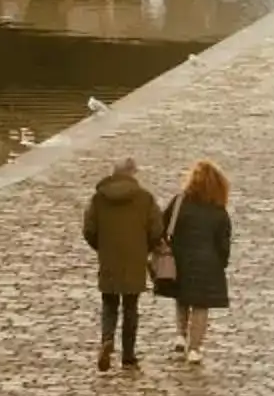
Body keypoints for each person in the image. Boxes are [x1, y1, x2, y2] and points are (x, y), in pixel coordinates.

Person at [82, 155, 162, 375]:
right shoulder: (145, 199)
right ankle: (128, 356)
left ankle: (107, 339)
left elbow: (89, 229)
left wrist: (102, 247)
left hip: (109, 257)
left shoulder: (99, 198)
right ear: (132, 174)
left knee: (109, 304)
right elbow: (156, 229)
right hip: (134, 258)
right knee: (130, 307)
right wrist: (144, 248)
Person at [168, 157, 232, 365]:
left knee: (182, 297)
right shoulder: (218, 211)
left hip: (180, 257)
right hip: (207, 262)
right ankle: (194, 348)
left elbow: (163, 224)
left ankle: (180, 335)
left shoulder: (179, 202)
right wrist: (221, 262)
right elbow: (223, 243)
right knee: (200, 305)